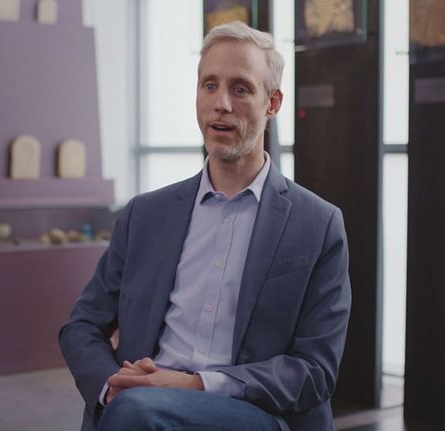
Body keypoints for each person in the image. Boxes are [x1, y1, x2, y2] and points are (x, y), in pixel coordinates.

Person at [59, 21, 351, 431]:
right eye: (209, 86)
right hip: (138, 406)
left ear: (272, 103)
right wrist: (114, 388)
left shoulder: (318, 224)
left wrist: (194, 385)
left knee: (138, 412)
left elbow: (314, 370)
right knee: (135, 411)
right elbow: (82, 326)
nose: (221, 104)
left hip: (251, 412)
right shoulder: (144, 215)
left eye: (241, 89)